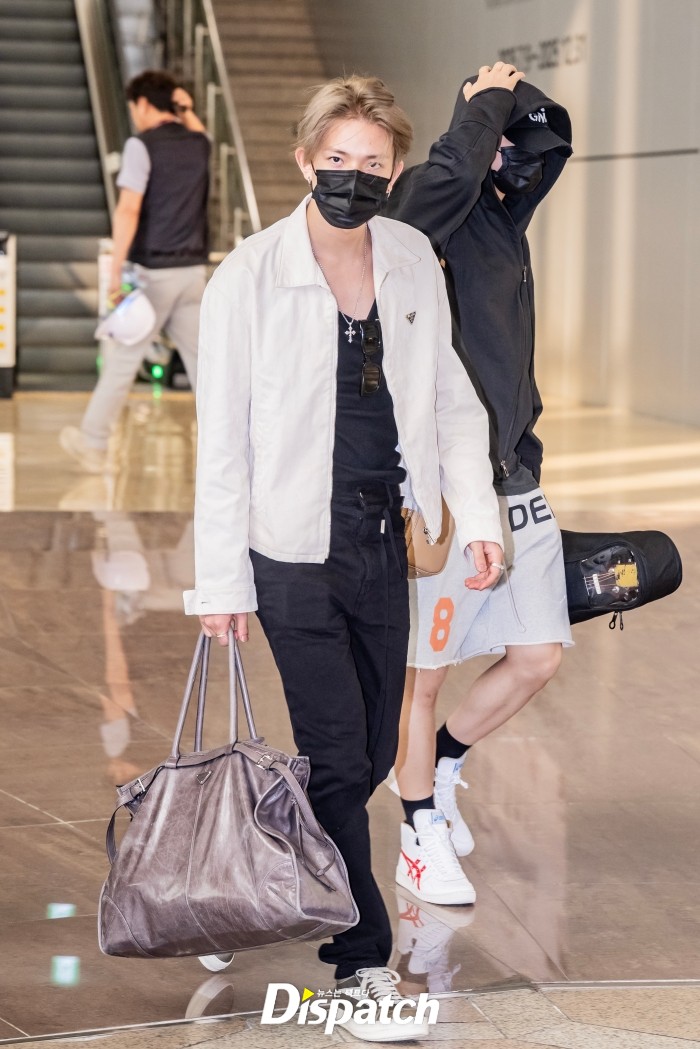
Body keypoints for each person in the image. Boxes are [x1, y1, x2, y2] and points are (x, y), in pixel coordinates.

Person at [183, 75, 504, 1043]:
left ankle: (247, 880)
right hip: (288, 548)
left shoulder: (408, 257)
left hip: (381, 539)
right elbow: (221, 441)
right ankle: (360, 962)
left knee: (365, 752)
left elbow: (449, 401)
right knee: (334, 748)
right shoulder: (248, 274)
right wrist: (220, 582)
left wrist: (477, 517)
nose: (353, 176)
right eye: (337, 159)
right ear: (303, 159)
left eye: (373, 162)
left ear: (395, 170)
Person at [385, 62, 574, 905]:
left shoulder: (502, 222)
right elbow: (433, 191)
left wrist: (526, 447)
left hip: (512, 475)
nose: (513, 158)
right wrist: (480, 106)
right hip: (445, 487)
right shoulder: (429, 210)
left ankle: (441, 764)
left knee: (537, 655)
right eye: (498, 137)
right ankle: (415, 831)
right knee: (421, 677)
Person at [60, 70, 210, 473]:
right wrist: (185, 109)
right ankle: (230, 447)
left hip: (153, 273)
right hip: (193, 273)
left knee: (124, 358)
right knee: (205, 367)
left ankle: (93, 442)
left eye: (134, 108)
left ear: (143, 104)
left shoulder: (141, 146)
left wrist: (115, 272)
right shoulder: (199, 143)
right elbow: (201, 132)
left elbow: (128, 209)